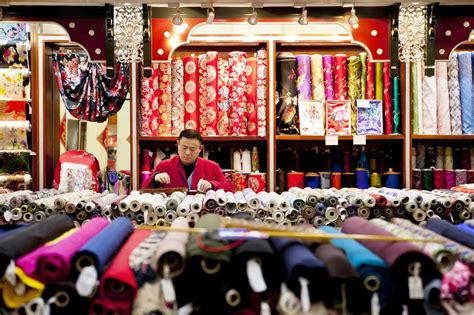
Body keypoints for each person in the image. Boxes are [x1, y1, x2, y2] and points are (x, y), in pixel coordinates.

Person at [145, 129, 234, 192]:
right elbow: (144, 189)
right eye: (184, 148)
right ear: (178, 144)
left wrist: (212, 185)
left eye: (192, 149)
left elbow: (229, 188)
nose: (187, 153)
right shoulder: (164, 166)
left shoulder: (212, 166)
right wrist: (155, 179)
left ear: (200, 149)